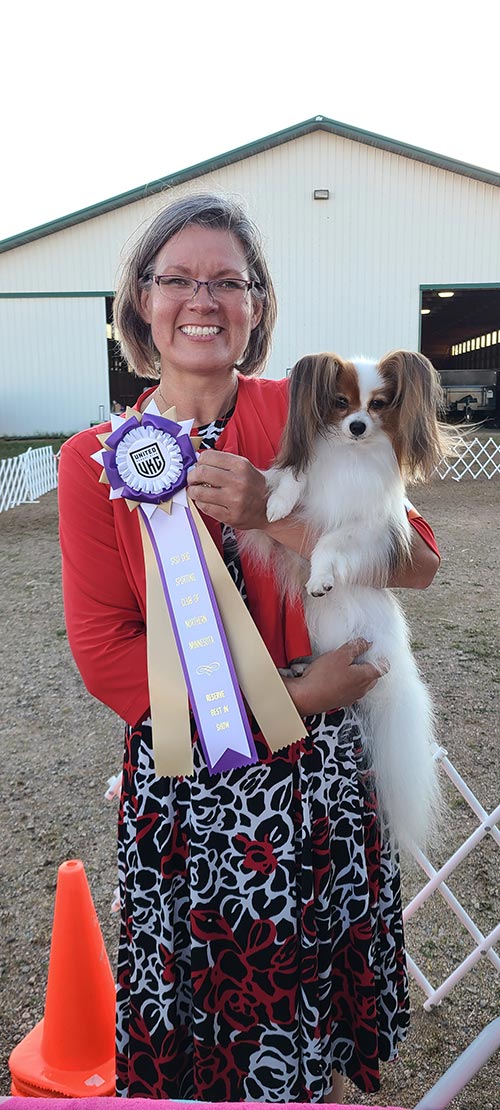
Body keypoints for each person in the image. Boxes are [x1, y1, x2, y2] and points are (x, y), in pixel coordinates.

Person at [58, 193, 440, 1103]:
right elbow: (107, 651)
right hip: (191, 777)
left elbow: (420, 562)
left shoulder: (310, 410)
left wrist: (285, 516)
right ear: (141, 304)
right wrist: (303, 693)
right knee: (202, 1031)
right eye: (178, 278)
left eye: (228, 280)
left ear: (258, 305)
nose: (204, 298)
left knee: (306, 1026)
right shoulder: (91, 459)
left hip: (318, 787)